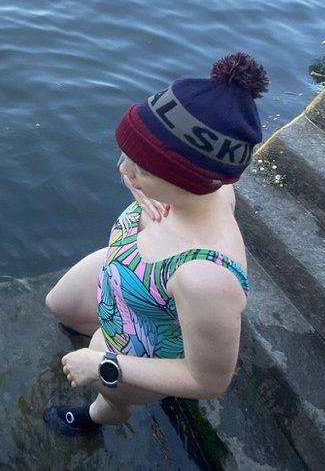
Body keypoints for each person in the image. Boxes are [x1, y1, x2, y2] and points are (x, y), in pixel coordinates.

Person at [43, 53, 269, 435]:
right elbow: (149, 159)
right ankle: (94, 346)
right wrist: (139, 178)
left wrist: (102, 366)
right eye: (127, 154)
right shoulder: (205, 189)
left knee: (105, 386)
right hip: (126, 277)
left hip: (140, 345)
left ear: (188, 179)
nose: (122, 169)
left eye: (140, 168)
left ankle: (99, 417)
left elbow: (209, 381)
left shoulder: (204, 279)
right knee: (58, 305)